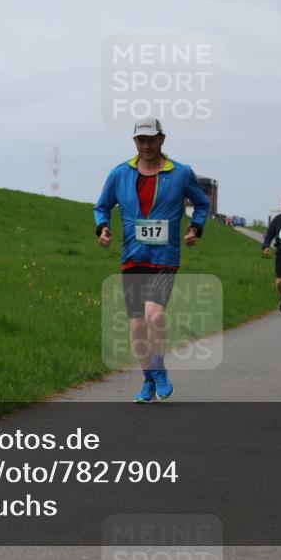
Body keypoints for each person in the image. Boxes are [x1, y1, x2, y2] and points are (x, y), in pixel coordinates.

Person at [94, 118, 210, 403]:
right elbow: (102, 206)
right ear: (135, 142)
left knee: (154, 315)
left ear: (162, 139)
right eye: (141, 140)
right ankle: (147, 379)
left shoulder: (181, 173)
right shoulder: (120, 173)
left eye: (151, 139)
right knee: (136, 325)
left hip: (164, 257)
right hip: (133, 257)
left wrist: (195, 227)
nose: (146, 145)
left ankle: (159, 369)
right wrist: (103, 228)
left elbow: (202, 203)